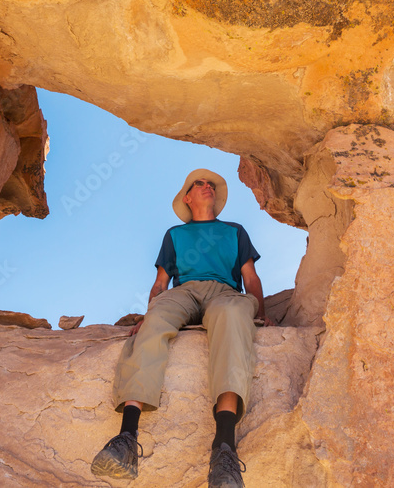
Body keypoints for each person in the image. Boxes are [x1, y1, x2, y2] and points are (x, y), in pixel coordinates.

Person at [91, 168, 274, 487]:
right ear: (187, 197)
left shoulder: (235, 230)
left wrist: (261, 312)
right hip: (183, 292)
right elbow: (161, 283)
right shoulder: (174, 235)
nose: (207, 187)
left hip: (224, 292)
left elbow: (251, 278)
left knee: (232, 317)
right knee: (157, 320)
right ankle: (126, 440)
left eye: (211, 184)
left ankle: (225, 451)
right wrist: (150, 313)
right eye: (199, 184)